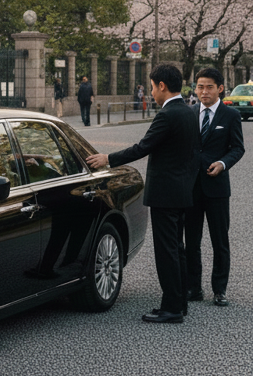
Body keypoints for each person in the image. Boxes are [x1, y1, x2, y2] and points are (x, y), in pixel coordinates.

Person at [86, 64, 200, 323]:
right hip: (182, 191)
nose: (151, 92)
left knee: (166, 250)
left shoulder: (167, 115)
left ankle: (171, 308)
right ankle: (179, 302)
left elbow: (143, 147)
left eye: (151, 87)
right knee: (177, 248)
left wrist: (107, 158)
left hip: (165, 193)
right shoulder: (190, 112)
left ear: (161, 86)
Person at [185, 67, 245, 307]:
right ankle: (193, 288)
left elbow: (238, 148)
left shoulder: (230, 115)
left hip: (217, 187)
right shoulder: (189, 113)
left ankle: (219, 289)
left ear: (220, 88)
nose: (204, 91)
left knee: (220, 240)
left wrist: (223, 163)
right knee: (192, 240)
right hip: (191, 187)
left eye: (209, 86)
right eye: (200, 86)